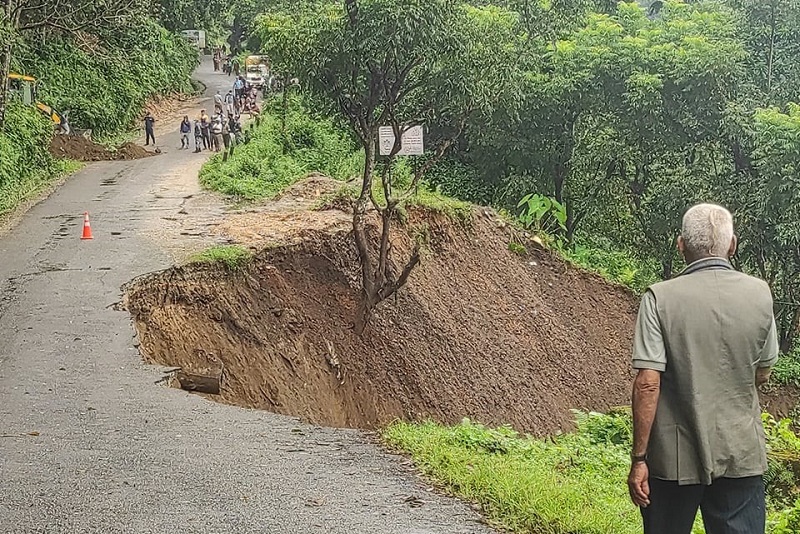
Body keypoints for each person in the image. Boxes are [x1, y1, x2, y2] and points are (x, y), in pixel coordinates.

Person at [628, 203, 779, 534]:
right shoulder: (760, 294)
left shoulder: (659, 298)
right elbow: (763, 372)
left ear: (681, 244)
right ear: (733, 245)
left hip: (673, 459)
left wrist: (639, 458)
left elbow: (648, 383)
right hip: (740, 452)